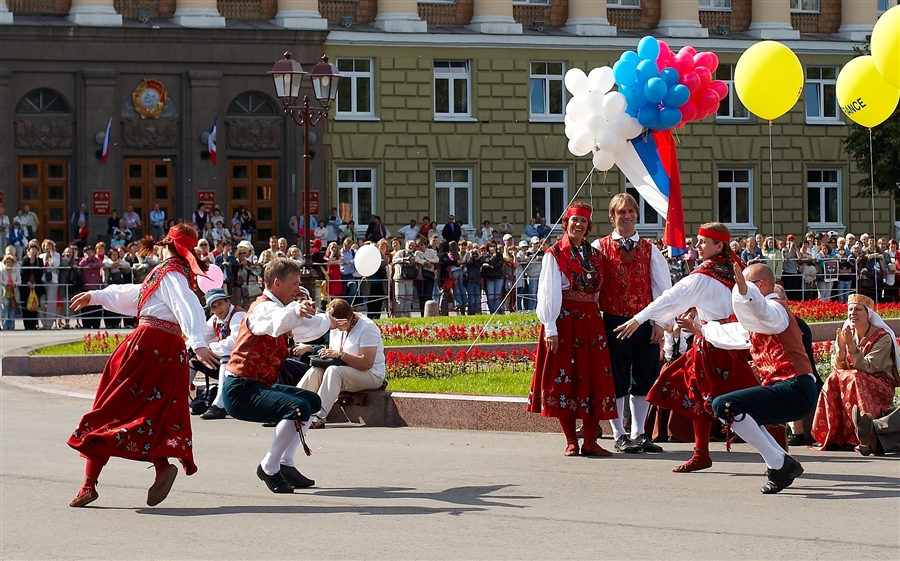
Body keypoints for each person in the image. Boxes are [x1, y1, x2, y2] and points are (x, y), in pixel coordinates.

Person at [66, 224, 218, 507]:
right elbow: (137, 294)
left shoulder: (170, 272)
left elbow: (185, 305)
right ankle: (160, 466)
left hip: (148, 346)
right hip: (169, 350)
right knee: (153, 412)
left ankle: (89, 483)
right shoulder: (174, 274)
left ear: (167, 245)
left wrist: (198, 340)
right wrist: (97, 296)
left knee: (112, 406)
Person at [615, 222, 758, 472]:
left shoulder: (705, 275)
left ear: (719, 246)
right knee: (707, 397)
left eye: (703, 242)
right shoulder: (733, 270)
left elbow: (671, 298)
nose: (697, 246)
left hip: (711, 345)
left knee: (720, 400)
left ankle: (774, 452)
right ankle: (703, 452)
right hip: (730, 342)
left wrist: (639, 318)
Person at [221, 257, 340, 493]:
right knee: (298, 408)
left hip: (258, 386)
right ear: (277, 283)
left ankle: (285, 463)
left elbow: (302, 327)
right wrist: (296, 310)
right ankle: (269, 467)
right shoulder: (262, 309)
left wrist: (330, 321)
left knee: (311, 401)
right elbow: (277, 323)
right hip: (240, 390)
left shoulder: (280, 309)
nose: (297, 288)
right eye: (294, 283)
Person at [709, 263, 818, 494]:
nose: (738, 289)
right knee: (743, 413)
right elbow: (733, 334)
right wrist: (700, 329)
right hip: (788, 389)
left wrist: (746, 293)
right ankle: (780, 461)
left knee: (724, 405)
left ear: (761, 285)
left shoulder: (776, 309)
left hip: (795, 388)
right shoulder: (758, 322)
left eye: (746, 284)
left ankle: (779, 463)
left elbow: (765, 312)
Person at [526, 201, 617, 456]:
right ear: (566, 223)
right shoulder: (554, 254)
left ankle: (590, 440)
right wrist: (550, 328)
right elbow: (548, 292)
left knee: (593, 378)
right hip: (564, 321)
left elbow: (598, 293)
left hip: (590, 322)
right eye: (575, 220)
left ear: (588, 226)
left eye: (583, 221)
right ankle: (571, 441)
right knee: (564, 378)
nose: (579, 224)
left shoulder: (595, 256)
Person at [592, 193, 672, 454]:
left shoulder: (650, 249)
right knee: (616, 377)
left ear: (637, 214)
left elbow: (662, 288)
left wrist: (660, 323)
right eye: (621, 212)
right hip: (613, 320)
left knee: (644, 376)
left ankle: (639, 433)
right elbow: (593, 287)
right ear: (612, 216)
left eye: (630, 211)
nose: (626, 216)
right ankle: (619, 433)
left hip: (644, 321)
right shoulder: (599, 247)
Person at [811, 294, 900, 450]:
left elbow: (869, 367)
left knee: (854, 376)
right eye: (850, 309)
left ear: (868, 314)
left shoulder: (882, 337)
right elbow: (838, 367)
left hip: (880, 383)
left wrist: (851, 347)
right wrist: (841, 349)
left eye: (858, 309)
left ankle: (858, 435)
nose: (853, 313)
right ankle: (834, 436)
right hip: (852, 379)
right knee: (834, 377)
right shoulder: (847, 334)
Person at [299, 298, 386, 428]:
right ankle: (294, 408)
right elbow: (335, 351)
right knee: (316, 370)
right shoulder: (336, 325)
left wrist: (340, 354)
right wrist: (327, 352)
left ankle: (318, 417)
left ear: (349, 318)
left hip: (371, 374)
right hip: (345, 370)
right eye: (333, 323)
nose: (336, 328)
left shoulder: (367, 328)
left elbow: (366, 363)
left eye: (339, 324)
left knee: (334, 371)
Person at [195, 288, 247, 420]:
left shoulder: (238, 316)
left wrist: (209, 348)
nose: (218, 309)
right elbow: (201, 336)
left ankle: (219, 406)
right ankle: (179, 400)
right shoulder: (214, 320)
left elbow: (234, 343)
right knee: (192, 360)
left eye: (220, 304)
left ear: (228, 301)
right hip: (235, 365)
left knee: (225, 359)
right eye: (214, 307)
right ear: (210, 310)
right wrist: (194, 347)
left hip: (249, 363)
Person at [392, 240, 418, 317]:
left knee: (409, 298)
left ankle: (407, 315)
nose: (411, 247)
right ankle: (399, 315)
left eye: (413, 245)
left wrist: (414, 262)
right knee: (400, 297)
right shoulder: (400, 252)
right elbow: (394, 260)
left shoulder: (414, 254)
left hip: (410, 279)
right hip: (400, 278)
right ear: (405, 245)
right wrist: (404, 259)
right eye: (410, 245)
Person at [0, 252, 20, 330]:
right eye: (7, 262)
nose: (8, 264)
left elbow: (19, 281)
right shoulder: (2, 271)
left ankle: (11, 325)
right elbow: (0, 281)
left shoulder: (16, 271)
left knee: (12, 308)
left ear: (12, 263)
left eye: (10, 262)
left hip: (13, 293)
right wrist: (7, 284)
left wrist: (15, 284)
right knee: (5, 309)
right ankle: (4, 325)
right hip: (4, 292)